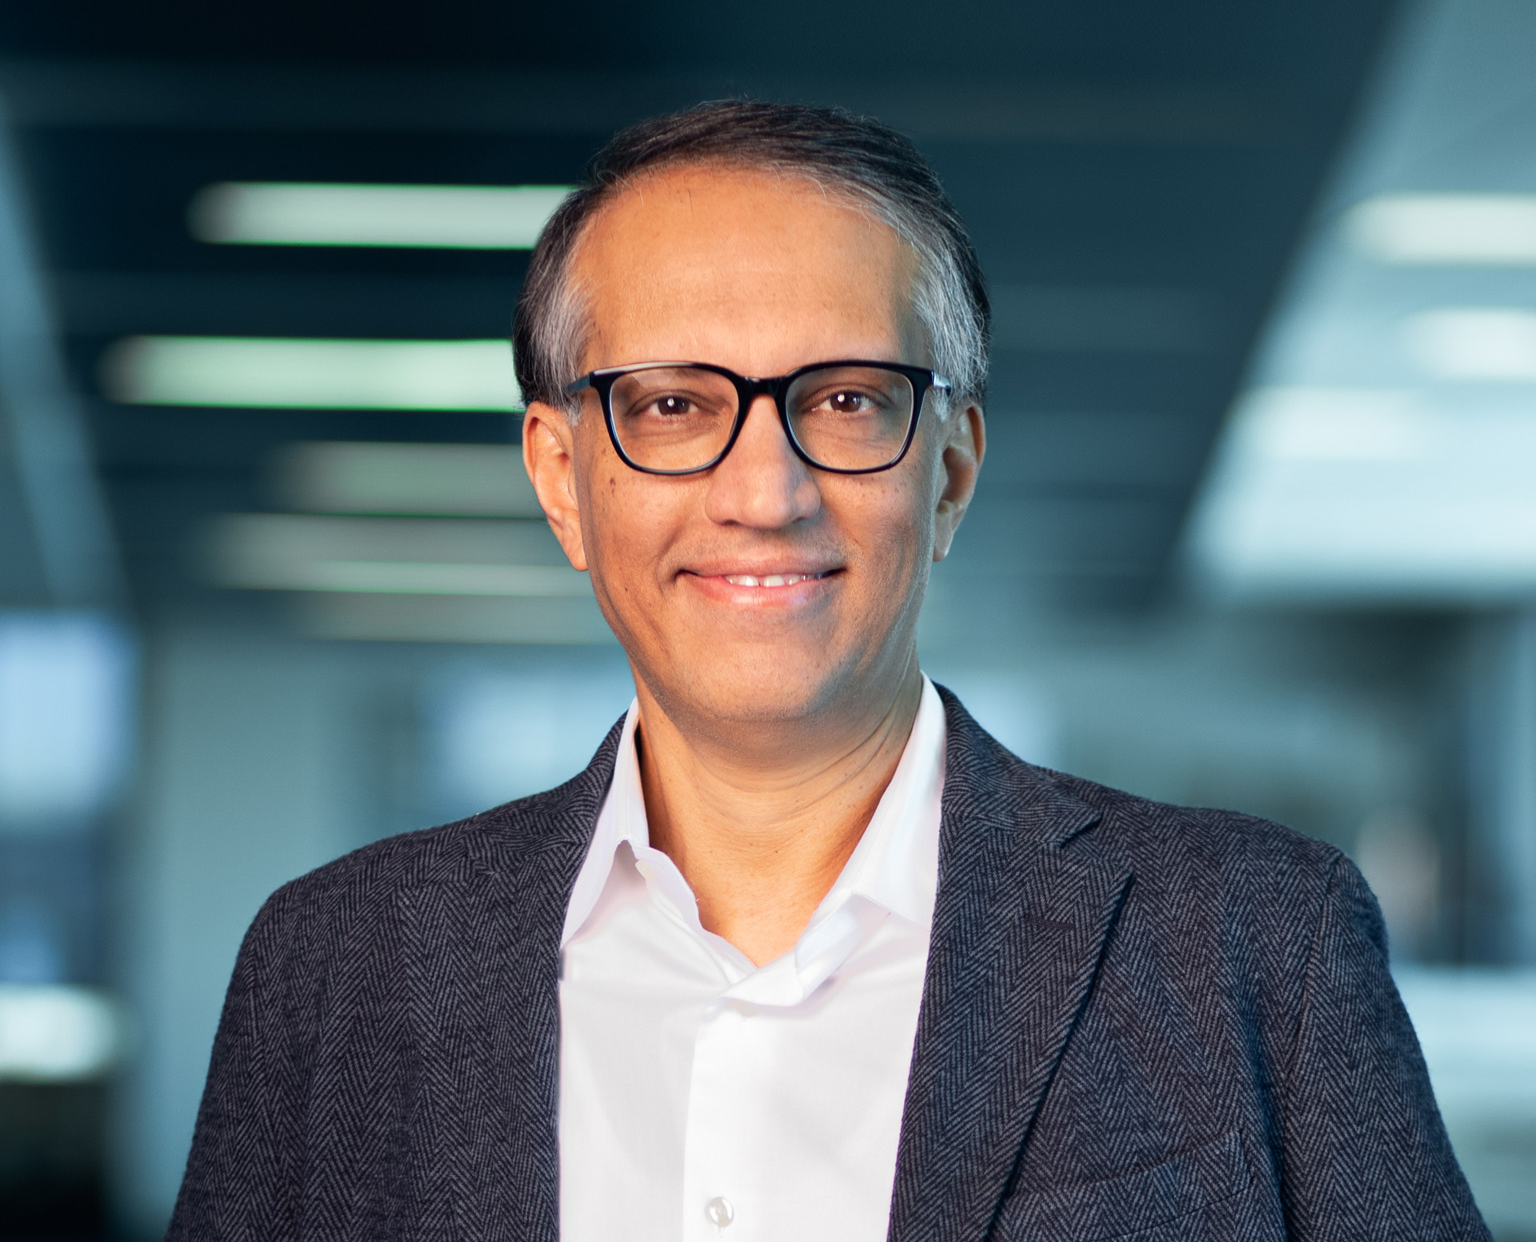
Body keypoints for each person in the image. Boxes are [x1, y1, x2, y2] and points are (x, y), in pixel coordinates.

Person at [168, 101, 1488, 1242]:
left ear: (951, 470)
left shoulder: (1253, 941)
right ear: (563, 479)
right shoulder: (335, 967)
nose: (765, 491)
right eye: (674, 404)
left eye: (847, 400)